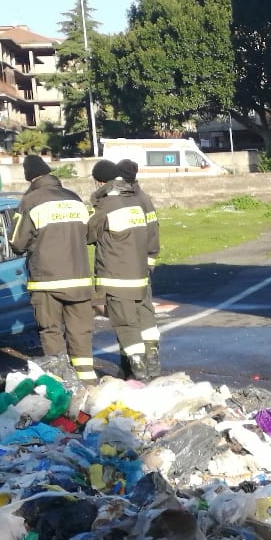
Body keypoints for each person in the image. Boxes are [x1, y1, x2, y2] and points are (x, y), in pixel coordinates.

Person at [10, 154, 95, 385]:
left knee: (51, 331)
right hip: (78, 280)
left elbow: (17, 242)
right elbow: (89, 234)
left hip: (46, 282)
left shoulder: (31, 201)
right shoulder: (74, 198)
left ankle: (61, 382)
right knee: (80, 332)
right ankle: (88, 382)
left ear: (29, 176)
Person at [87, 157, 162, 379]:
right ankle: (153, 367)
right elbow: (151, 235)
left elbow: (87, 234)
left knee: (126, 325)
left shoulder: (105, 206)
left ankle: (139, 373)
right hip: (139, 275)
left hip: (116, 278)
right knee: (145, 321)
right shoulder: (135, 203)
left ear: (100, 182)